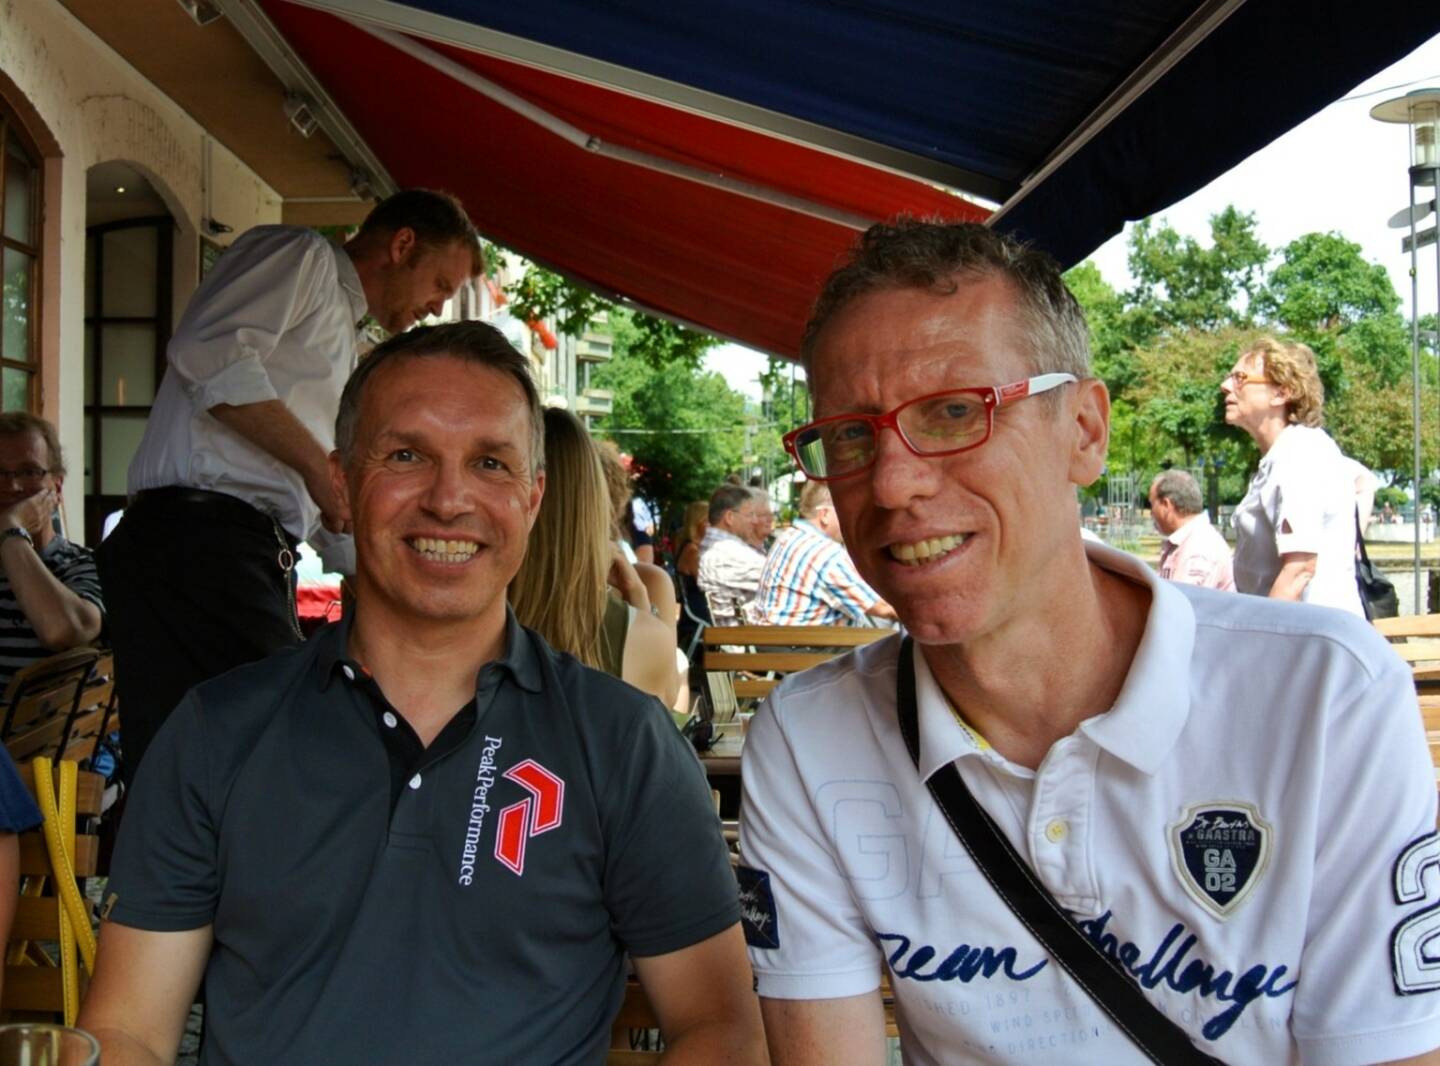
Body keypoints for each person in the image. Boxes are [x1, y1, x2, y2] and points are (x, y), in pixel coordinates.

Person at [738, 220, 1440, 1065]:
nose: (892, 482)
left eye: (956, 411)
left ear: (1085, 430)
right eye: (851, 435)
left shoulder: (1328, 697)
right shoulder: (808, 738)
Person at [78, 321, 763, 1066]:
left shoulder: (623, 742)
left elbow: (719, 1027)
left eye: (490, 464)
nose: (448, 500)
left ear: (533, 499)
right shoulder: (215, 731)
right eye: (407, 455)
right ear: (341, 482)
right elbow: (129, 1031)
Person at [96, 190, 482, 788]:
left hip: (235, 549)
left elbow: (333, 508)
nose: (435, 308)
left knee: (206, 767)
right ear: (402, 245)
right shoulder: (300, 254)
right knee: (282, 738)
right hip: (196, 539)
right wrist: (316, 469)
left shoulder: (348, 346)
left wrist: (404, 591)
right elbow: (209, 351)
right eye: (441, 284)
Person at [510, 406, 680, 707]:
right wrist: (638, 601)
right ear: (596, 501)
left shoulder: (466, 618)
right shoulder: (639, 633)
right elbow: (663, 717)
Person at [1222, 337, 1363, 616]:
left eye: (1240, 378)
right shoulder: (1281, 456)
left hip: (1312, 646)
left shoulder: (1300, 454)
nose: (1225, 385)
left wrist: (1263, 643)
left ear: (1281, 393)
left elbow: (1299, 571)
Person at [0, 413, 104, 692]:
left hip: (43, 734)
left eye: (29, 471)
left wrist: (11, 531)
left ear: (56, 487)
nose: (12, 486)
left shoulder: (85, 564)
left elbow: (62, 631)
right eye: (0, 472)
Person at [750, 479, 894, 625]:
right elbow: (882, 608)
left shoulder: (789, 536)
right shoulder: (825, 552)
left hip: (777, 640)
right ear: (824, 514)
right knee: (890, 628)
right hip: (806, 644)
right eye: (846, 511)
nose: (851, 520)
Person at [1148, 469, 1234, 591]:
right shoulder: (1190, 541)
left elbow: (1183, 603)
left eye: (1152, 504)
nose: (1151, 513)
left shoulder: (1200, 548)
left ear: (1166, 505)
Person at [697, 484, 765, 626]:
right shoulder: (725, 551)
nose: (755, 521)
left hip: (742, 637)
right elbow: (780, 578)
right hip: (749, 640)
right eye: (750, 514)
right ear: (729, 517)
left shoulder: (713, 545)